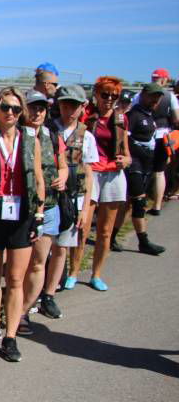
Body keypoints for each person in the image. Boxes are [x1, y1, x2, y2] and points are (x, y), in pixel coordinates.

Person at [0, 87, 45, 362]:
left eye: (16, 109)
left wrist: (39, 212)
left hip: (22, 213)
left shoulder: (29, 138)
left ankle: (11, 335)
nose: (10, 113)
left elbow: (38, 177)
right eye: (5, 107)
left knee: (15, 278)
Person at [67, 77, 129, 291]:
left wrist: (126, 160)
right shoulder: (87, 116)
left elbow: (127, 152)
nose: (109, 99)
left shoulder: (121, 118)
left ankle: (97, 274)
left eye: (114, 96)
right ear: (96, 94)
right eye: (105, 94)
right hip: (91, 172)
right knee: (82, 226)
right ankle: (73, 271)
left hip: (113, 174)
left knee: (105, 231)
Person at [41, 85, 97, 317]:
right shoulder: (46, 130)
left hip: (72, 197)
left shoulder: (87, 136)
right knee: (41, 247)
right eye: (65, 104)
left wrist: (86, 208)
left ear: (82, 107)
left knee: (61, 247)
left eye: (74, 105)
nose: (69, 109)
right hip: (48, 196)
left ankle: (49, 294)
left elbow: (89, 172)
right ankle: (34, 290)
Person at [19, 90, 67, 333]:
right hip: (20, 210)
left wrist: (63, 176)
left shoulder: (52, 135)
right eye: (32, 107)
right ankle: (10, 306)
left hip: (48, 207)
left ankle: (23, 312)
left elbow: (63, 164)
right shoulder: (15, 134)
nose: (37, 112)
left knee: (39, 263)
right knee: (18, 266)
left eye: (41, 108)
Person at [110, 84, 166, 256]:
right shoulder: (134, 115)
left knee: (126, 205)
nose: (155, 100)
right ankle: (143, 241)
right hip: (134, 165)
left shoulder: (150, 115)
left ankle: (111, 237)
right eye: (151, 96)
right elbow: (123, 140)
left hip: (145, 164)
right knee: (139, 202)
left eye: (157, 97)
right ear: (143, 95)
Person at [143, 68, 179, 215]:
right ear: (165, 80)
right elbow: (177, 119)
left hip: (143, 136)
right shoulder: (170, 96)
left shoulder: (142, 94)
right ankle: (157, 205)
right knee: (159, 172)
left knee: (144, 170)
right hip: (162, 136)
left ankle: (140, 200)